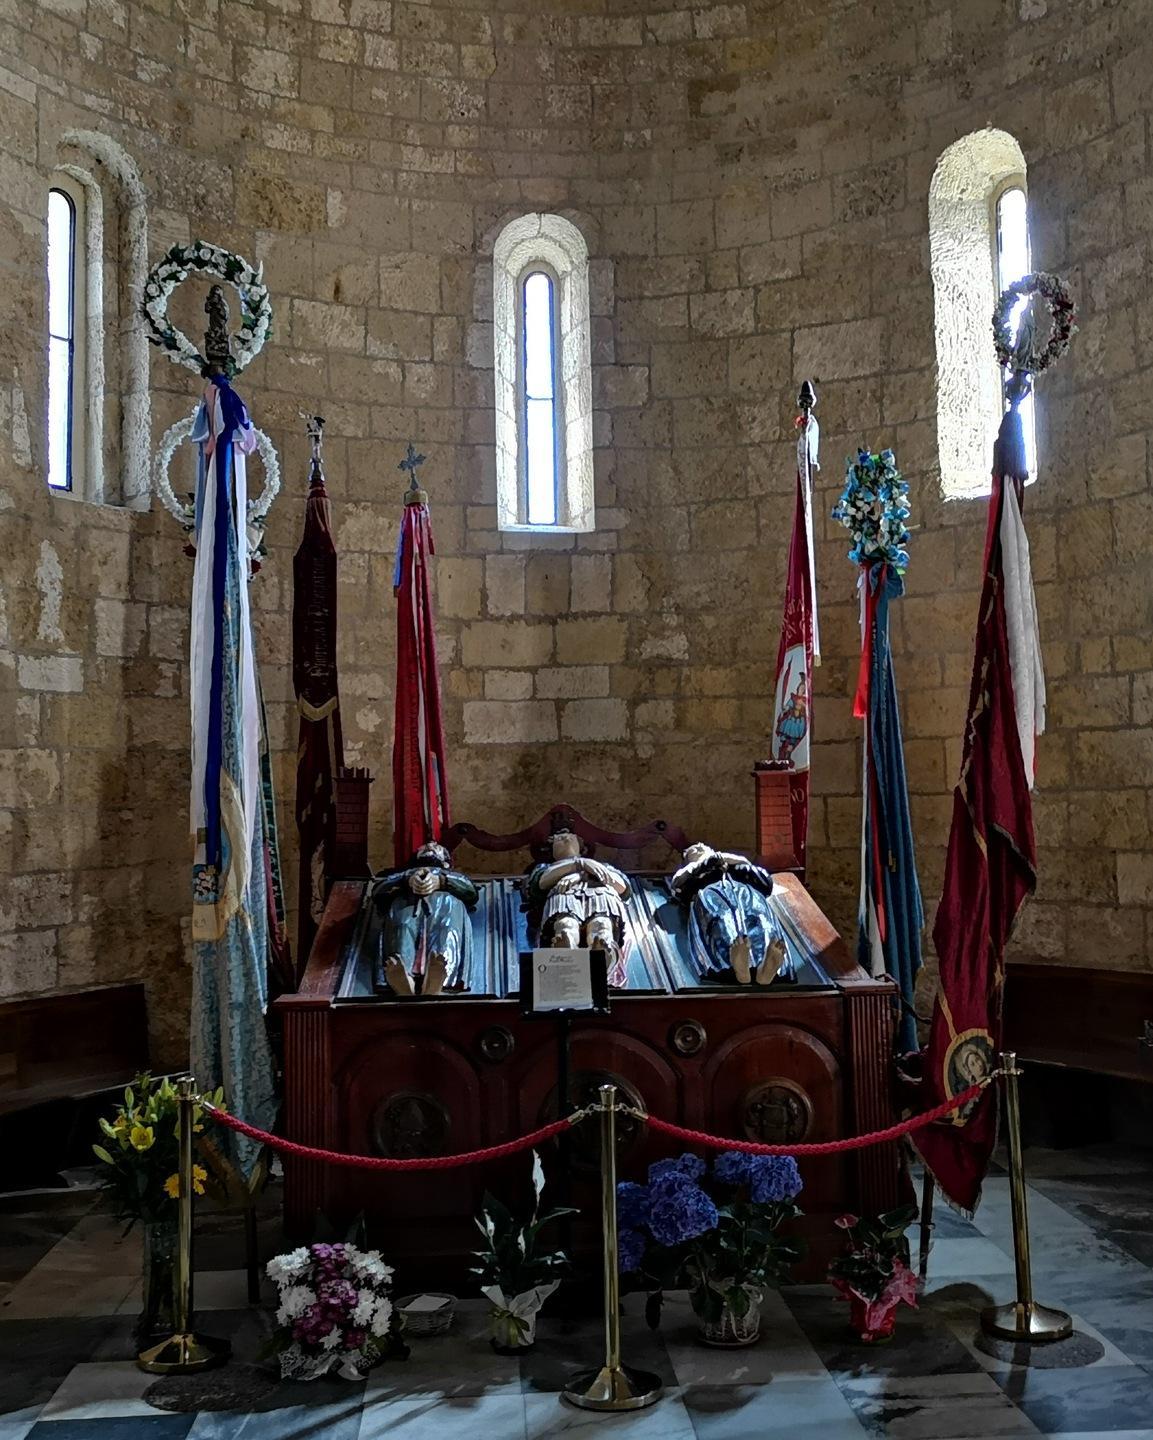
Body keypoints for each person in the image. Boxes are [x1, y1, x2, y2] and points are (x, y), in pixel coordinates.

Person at [669, 842, 789, 985]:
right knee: (722, 921)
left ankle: (765, 968)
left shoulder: (737, 868)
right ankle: (738, 968)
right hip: (713, 894)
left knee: (760, 918)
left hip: (745, 893)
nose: (699, 848)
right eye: (694, 850)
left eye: (703, 847)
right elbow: (678, 886)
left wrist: (728, 860)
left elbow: (766, 881)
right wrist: (708, 862)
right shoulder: (692, 871)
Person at [370, 841, 479, 996]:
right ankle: (403, 977)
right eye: (424, 847)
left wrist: (441, 881)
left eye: (437, 848)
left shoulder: (452, 876)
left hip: (444, 908)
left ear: (446, 863)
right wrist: (406, 880)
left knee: (445, 930)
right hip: (406, 907)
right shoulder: (404, 874)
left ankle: (439, 976)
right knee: (402, 928)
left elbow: (471, 892)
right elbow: (378, 891)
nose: (430, 845)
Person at [525, 830, 631, 987]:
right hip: (564, 897)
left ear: (581, 845)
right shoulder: (546, 867)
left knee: (601, 925)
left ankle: (602, 961)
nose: (565, 839)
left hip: (600, 896)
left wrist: (581, 874)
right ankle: (567, 959)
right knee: (566, 925)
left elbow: (622, 887)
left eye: (570, 837)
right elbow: (540, 884)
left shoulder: (604, 865)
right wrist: (580, 864)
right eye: (559, 839)